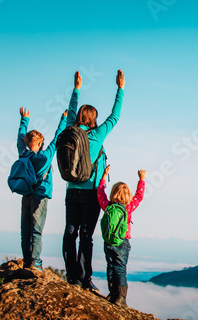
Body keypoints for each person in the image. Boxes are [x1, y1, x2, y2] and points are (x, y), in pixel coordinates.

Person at [63, 70, 125, 292]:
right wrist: (120, 88)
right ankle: (83, 279)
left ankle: (71, 275)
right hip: (91, 193)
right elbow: (115, 117)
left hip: (71, 190)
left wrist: (76, 88)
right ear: (93, 119)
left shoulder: (70, 130)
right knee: (86, 236)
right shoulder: (96, 135)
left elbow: (70, 111)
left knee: (71, 231)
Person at [16, 107, 67, 270]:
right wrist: (63, 119)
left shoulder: (23, 154)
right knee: (36, 231)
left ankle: (26, 261)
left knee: (25, 231)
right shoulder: (45, 157)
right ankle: (35, 262)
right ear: (39, 143)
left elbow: (19, 140)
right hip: (40, 197)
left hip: (26, 195)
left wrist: (24, 120)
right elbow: (57, 138)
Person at [96, 166, 145, 307]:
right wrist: (141, 180)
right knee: (120, 268)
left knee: (110, 266)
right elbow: (139, 196)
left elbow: (100, 193)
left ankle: (112, 293)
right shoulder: (128, 207)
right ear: (128, 195)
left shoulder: (108, 206)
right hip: (123, 241)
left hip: (108, 241)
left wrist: (103, 177)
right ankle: (121, 297)